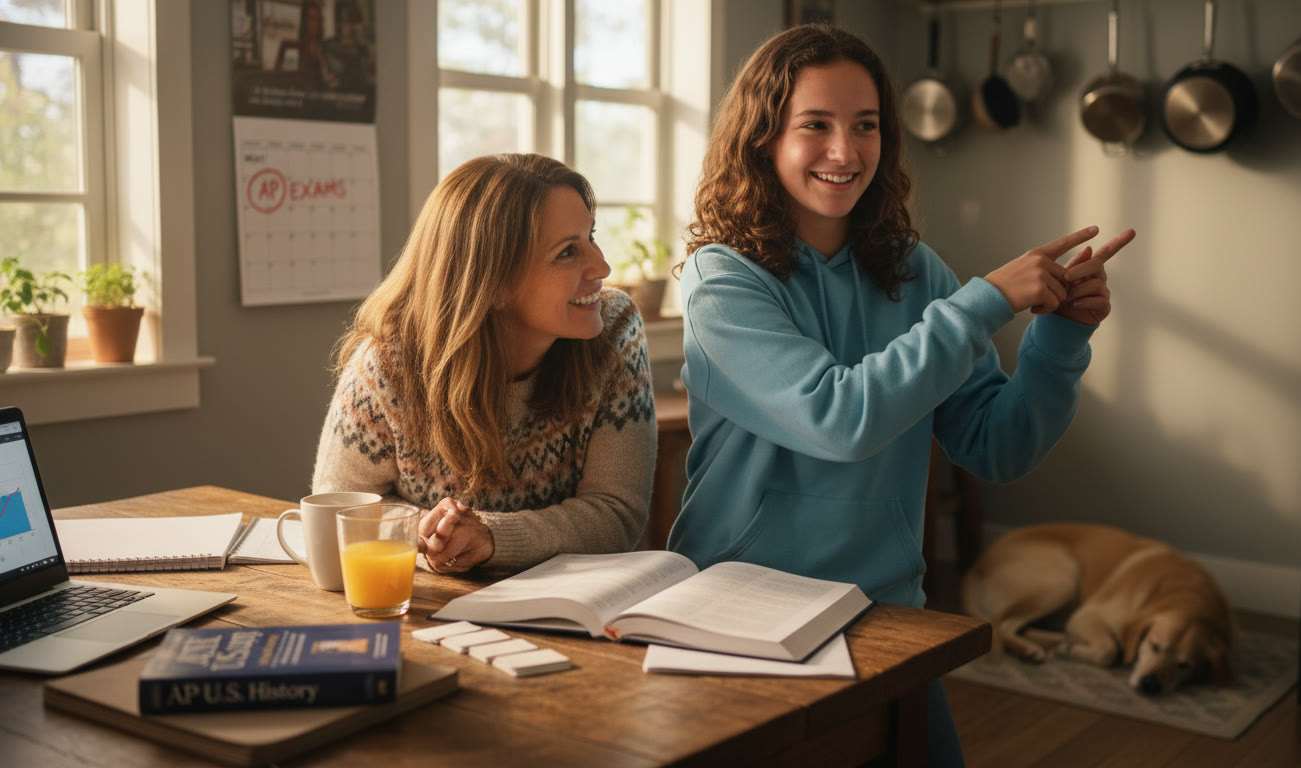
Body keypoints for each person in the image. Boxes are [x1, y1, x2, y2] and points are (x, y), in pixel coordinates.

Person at [670, 24, 1135, 767]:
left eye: (865, 126)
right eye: (814, 126)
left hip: (882, 614)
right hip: (738, 617)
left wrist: (1060, 337)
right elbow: (838, 418)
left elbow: (998, 445)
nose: (844, 152)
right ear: (763, 139)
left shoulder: (915, 272)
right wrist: (985, 302)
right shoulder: (721, 281)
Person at [312, 153, 657, 575]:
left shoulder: (615, 330)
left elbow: (618, 514)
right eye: (567, 252)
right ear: (492, 284)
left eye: (591, 237)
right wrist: (432, 532)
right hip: (424, 606)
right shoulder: (389, 362)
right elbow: (339, 508)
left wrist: (493, 537)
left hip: (569, 606)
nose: (602, 266)